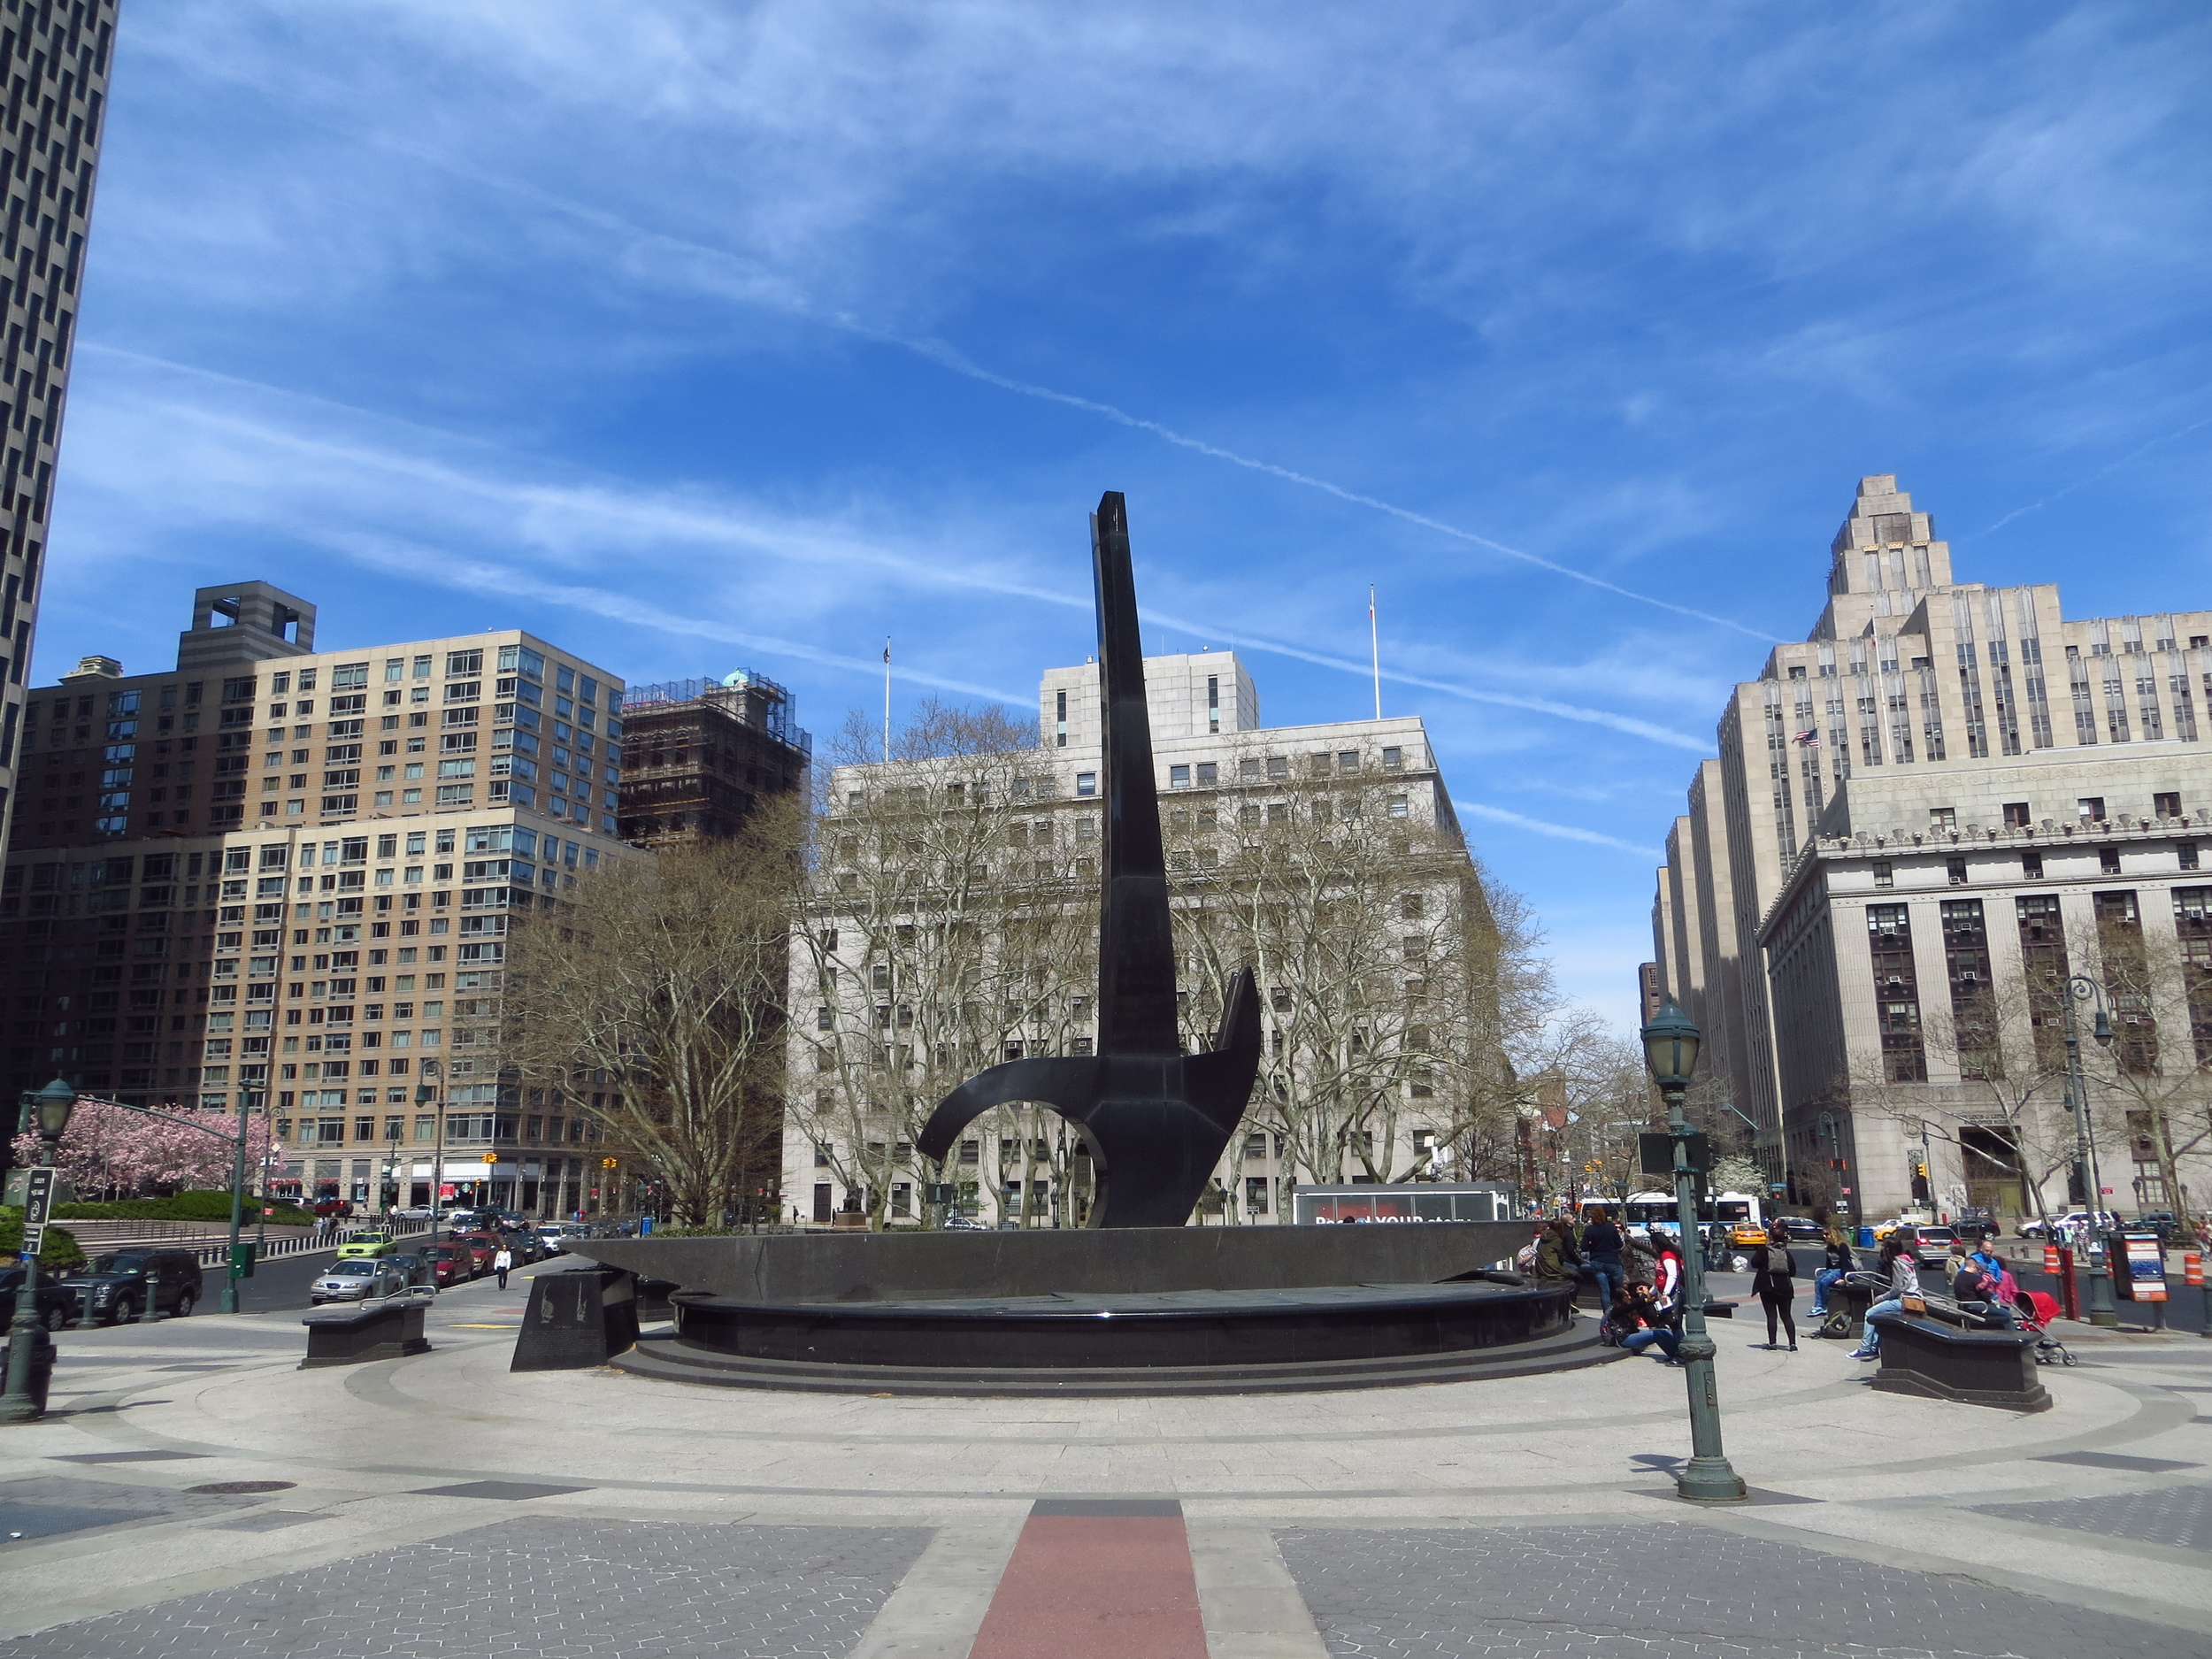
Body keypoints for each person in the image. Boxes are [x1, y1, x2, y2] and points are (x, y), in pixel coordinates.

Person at [1848, 1229, 1919, 1360]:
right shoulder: (1907, 1261)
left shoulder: (1897, 1263)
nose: (1882, 1249)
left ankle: (1865, 1349)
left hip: (1903, 1300)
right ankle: (1874, 1348)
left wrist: (1881, 1297)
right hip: (1914, 1298)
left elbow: (1897, 1288)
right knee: (1878, 1316)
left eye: (1884, 1247)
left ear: (1888, 1249)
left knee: (1869, 1313)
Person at [1751, 1222, 1797, 1350]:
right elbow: (1793, 1271)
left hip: (1767, 1286)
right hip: (1785, 1287)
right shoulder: (1786, 1252)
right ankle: (1792, 1344)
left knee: (1771, 1315)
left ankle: (1773, 1343)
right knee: (1787, 1316)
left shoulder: (1763, 1250)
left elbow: (1754, 1263)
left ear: (1770, 1236)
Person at [1615, 1281, 1684, 1363]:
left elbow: (1635, 1303)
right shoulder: (1616, 1310)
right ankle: (1674, 1355)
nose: (1629, 1297)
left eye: (1629, 1295)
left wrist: (1637, 1293)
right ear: (1620, 1298)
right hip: (1625, 1339)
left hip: (1633, 1333)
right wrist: (1645, 1294)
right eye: (1626, 1296)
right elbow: (1633, 1305)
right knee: (1656, 1334)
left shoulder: (1626, 1305)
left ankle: (1681, 1351)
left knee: (1663, 1331)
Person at [1581, 1206, 1625, 1315]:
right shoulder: (1611, 1227)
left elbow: (1584, 1247)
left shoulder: (1589, 1229)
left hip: (1597, 1262)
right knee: (1618, 1289)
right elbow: (1619, 1244)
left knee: (1604, 1291)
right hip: (1613, 1261)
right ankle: (1620, 1311)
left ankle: (1607, 1314)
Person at [1810, 1225, 1854, 1319]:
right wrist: (1826, 1272)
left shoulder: (1842, 1246)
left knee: (1825, 1282)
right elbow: (1829, 1263)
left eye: (1827, 1234)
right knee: (1818, 1281)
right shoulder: (1830, 1247)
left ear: (1833, 1234)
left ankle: (1825, 1305)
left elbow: (1844, 1263)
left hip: (1842, 1270)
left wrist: (1843, 1278)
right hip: (1833, 1270)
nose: (1825, 1236)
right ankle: (1818, 1306)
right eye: (1824, 1234)